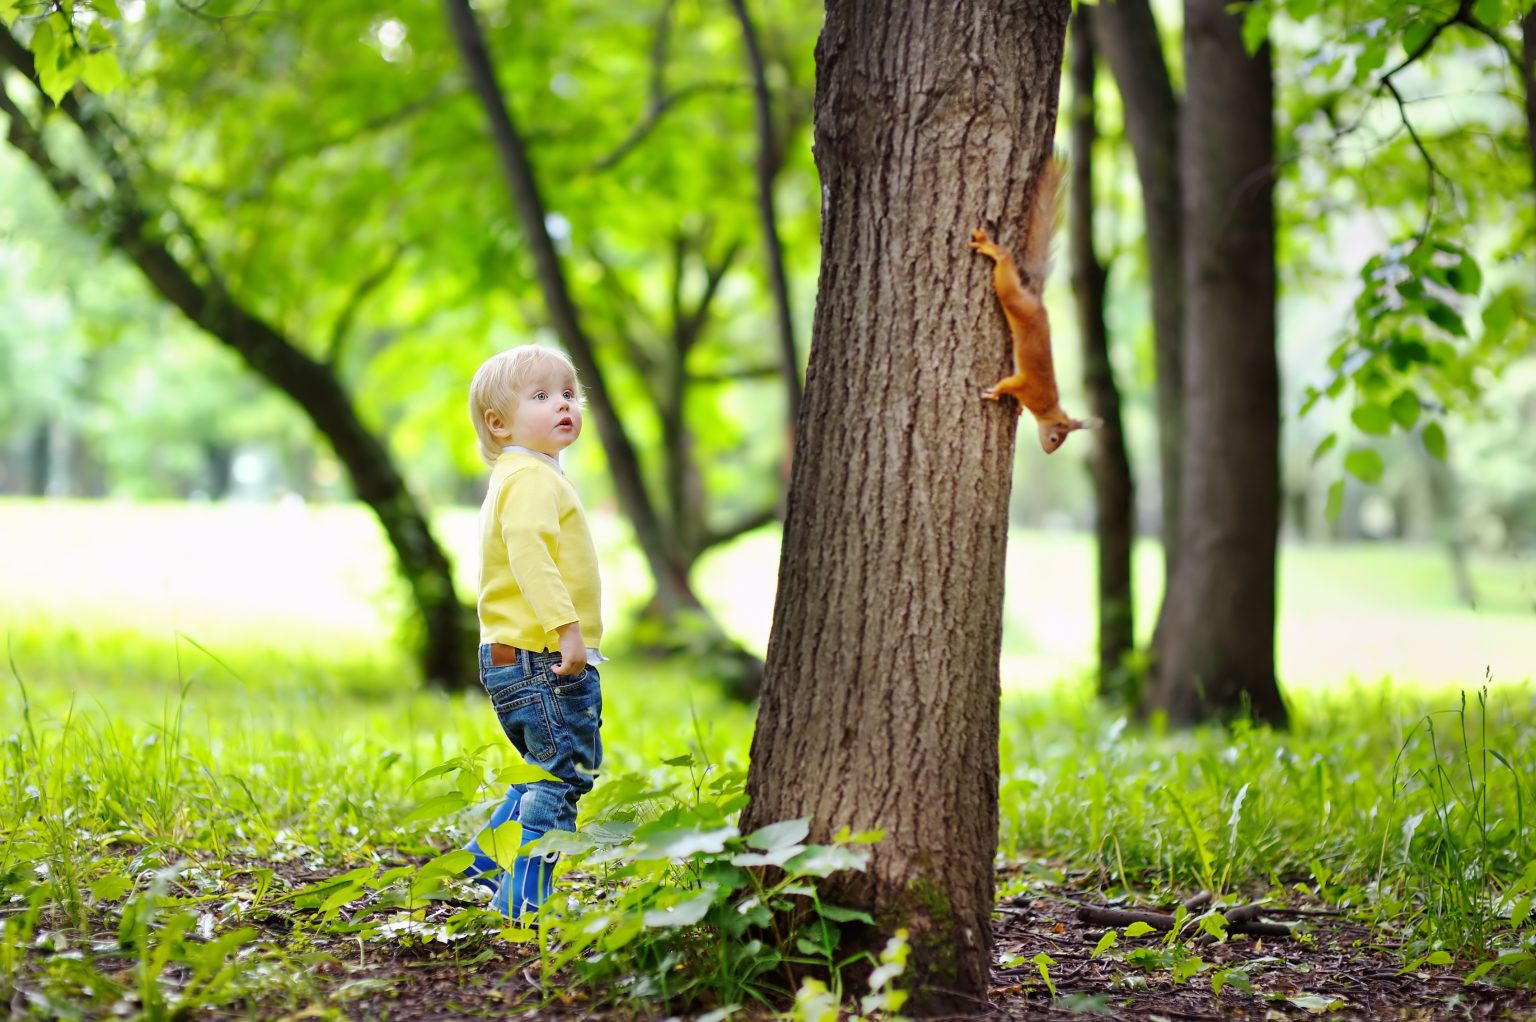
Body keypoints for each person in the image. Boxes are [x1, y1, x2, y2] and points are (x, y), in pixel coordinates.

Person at [462, 344, 604, 920]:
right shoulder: (530, 480)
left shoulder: (523, 475)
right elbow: (530, 557)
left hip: (514, 653)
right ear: (498, 423)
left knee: (542, 770)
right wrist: (567, 630)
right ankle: (521, 904)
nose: (563, 405)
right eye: (541, 396)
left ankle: (485, 859)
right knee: (563, 778)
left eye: (569, 393)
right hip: (540, 654)